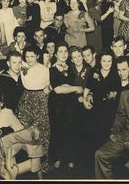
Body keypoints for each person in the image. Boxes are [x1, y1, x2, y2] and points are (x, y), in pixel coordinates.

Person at [49, 42, 84, 170]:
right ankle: (58, 158)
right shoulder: (52, 69)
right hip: (57, 105)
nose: (63, 54)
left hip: (71, 104)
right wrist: (75, 88)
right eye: (60, 51)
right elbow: (58, 89)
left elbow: (67, 86)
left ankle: (71, 159)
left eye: (65, 51)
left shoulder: (71, 68)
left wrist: (67, 87)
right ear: (56, 54)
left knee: (72, 130)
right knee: (58, 131)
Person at [16, 46, 51, 160]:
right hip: (26, 97)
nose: (29, 59)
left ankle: (44, 160)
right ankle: (28, 158)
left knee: (41, 128)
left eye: (32, 56)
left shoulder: (44, 69)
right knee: (24, 126)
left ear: (37, 56)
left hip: (40, 97)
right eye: (27, 57)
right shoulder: (23, 67)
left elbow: (49, 84)